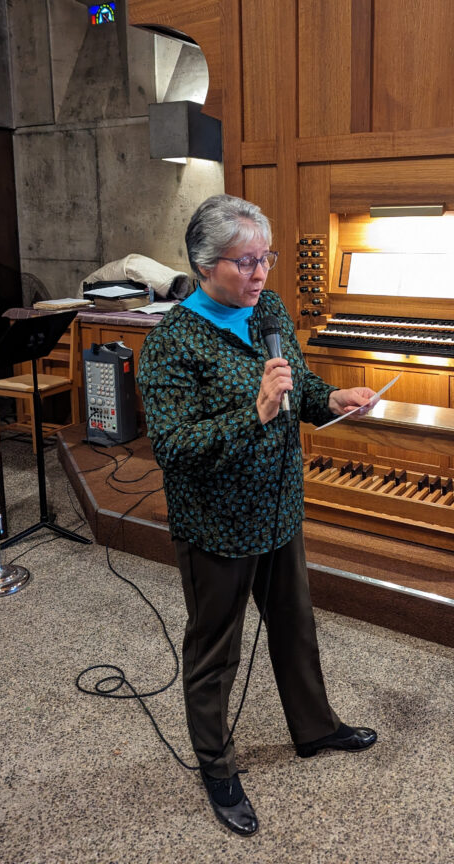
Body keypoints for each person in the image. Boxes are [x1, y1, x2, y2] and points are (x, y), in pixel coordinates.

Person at [137, 193, 377, 837]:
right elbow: (175, 449)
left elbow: (295, 385)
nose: (261, 273)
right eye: (245, 262)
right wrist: (259, 411)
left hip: (278, 511)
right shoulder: (171, 345)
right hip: (216, 525)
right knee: (216, 651)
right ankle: (216, 765)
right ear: (205, 264)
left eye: (264, 257)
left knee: (296, 626)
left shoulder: (266, 309)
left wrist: (333, 398)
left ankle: (315, 728)